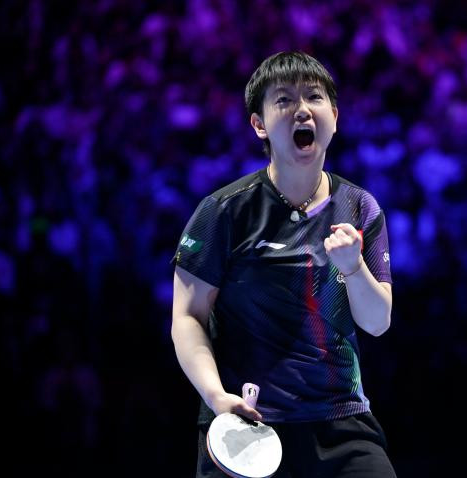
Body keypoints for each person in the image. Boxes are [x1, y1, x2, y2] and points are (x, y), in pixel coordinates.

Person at [171, 51, 396, 477]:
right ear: (259, 124)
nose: (302, 109)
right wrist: (216, 396)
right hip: (247, 423)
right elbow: (187, 316)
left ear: (334, 116)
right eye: (284, 100)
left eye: (314, 97)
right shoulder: (224, 211)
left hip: (340, 419)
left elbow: (377, 322)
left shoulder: (360, 207)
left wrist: (352, 267)